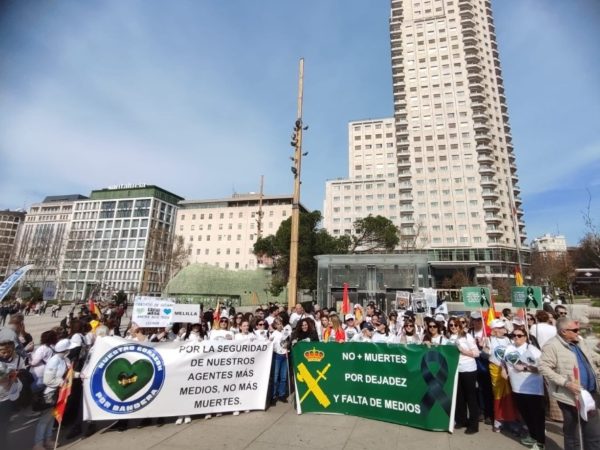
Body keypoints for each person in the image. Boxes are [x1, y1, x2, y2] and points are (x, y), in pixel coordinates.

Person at [539, 317, 600, 450]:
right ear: (563, 331)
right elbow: (543, 367)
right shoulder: (552, 346)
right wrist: (566, 383)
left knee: (593, 432)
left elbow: (590, 355)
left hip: (590, 392)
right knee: (573, 433)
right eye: (575, 330)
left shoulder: (579, 341)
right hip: (569, 396)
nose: (578, 332)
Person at [504, 328, 545, 449]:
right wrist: (503, 369)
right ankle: (533, 436)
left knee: (536, 416)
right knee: (526, 415)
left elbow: (543, 368)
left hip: (532, 389)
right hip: (517, 387)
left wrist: (526, 368)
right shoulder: (509, 348)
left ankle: (540, 442)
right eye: (514, 335)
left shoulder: (533, 350)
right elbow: (504, 360)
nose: (516, 337)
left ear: (526, 337)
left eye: (519, 335)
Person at [32, 338, 71, 450]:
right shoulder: (54, 360)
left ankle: (48, 440)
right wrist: (62, 382)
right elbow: (47, 380)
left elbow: (69, 373)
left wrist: (80, 375)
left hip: (60, 393)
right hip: (51, 393)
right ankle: (38, 443)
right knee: (45, 419)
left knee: (52, 417)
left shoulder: (65, 359)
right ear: (65, 350)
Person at [447, 317, 480, 434]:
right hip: (456, 370)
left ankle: (474, 425)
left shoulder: (467, 336)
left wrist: (463, 351)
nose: (453, 327)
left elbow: (476, 353)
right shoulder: (450, 337)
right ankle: (462, 420)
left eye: (456, 325)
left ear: (460, 326)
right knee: (459, 397)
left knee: (470, 397)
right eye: (451, 325)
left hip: (468, 369)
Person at [486, 319, 519, 432]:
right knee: (498, 394)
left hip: (508, 370)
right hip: (495, 369)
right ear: (495, 330)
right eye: (500, 327)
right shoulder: (489, 339)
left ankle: (511, 419)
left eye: (503, 327)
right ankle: (498, 420)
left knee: (510, 395)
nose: (503, 329)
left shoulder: (508, 339)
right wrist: (484, 348)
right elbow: (486, 353)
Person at [0, 328, 23, 449]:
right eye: (2, 352)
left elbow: (19, 375)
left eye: (8, 351)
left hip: (5, 399)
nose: (5, 354)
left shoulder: (16, 360)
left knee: (3, 427)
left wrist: (14, 378)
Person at [270, 318, 290, 405]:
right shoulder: (273, 334)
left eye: (280, 323)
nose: (279, 325)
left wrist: (287, 344)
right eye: (277, 324)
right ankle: (273, 395)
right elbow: (271, 345)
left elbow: (287, 342)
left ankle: (282, 394)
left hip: (284, 355)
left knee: (283, 377)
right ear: (274, 325)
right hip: (277, 355)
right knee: (275, 377)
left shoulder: (285, 332)